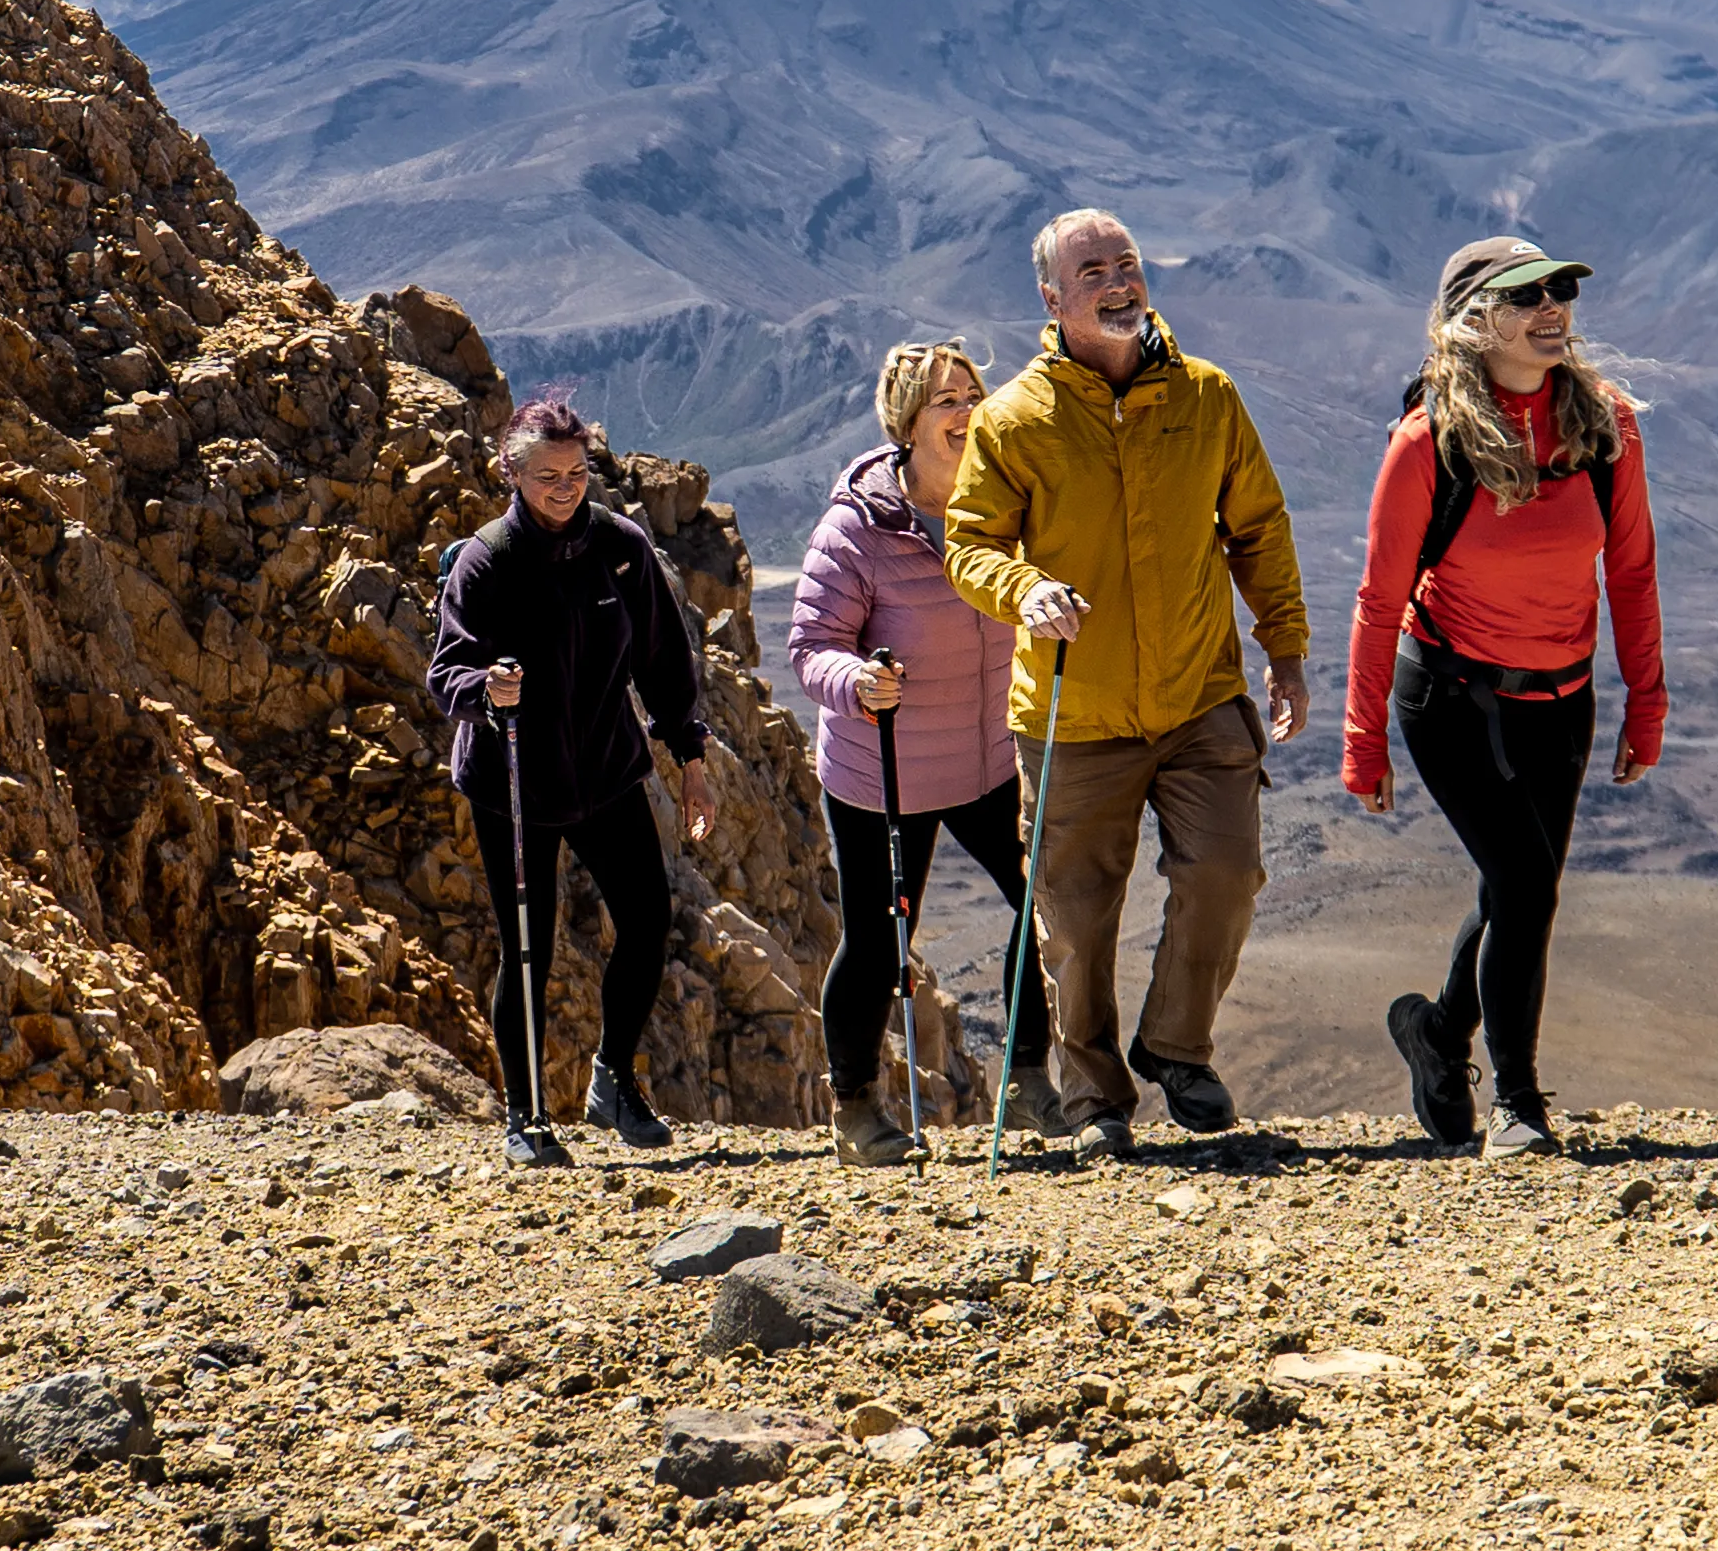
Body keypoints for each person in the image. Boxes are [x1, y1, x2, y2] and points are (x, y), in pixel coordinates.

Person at [944, 210, 1309, 1157]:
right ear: (1052, 298)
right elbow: (970, 544)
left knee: (1227, 873)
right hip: (1077, 713)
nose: (1117, 282)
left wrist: (1288, 647)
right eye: (1092, 269)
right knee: (1074, 920)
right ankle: (1096, 1098)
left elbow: (1259, 528)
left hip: (1200, 696)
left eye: (1127, 263)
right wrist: (1023, 590)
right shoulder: (1014, 419)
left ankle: (1177, 1045)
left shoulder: (1207, 397)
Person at [1347, 236, 1664, 1160]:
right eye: (1527, 294)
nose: (1553, 305)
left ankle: (1441, 1033)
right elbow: (1377, 598)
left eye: (1562, 288)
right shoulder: (1430, 442)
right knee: (1527, 887)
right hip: (1450, 696)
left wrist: (1648, 701)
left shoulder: (1605, 425)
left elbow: (1634, 572)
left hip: (1562, 699)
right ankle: (1520, 1106)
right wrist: (1363, 743)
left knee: (1515, 890)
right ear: (1473, 323)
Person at [786, 339, 1062, 1166]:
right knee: (878, 940)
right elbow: (810, 645)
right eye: (947, 399)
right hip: (885, 767)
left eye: (974, 391)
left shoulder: (1004, 499)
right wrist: (858, 680)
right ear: (905, 423)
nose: (967, 409)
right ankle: (856, 1105)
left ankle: (1029, 1077)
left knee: (1044, 907)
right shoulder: (857, 527)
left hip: (986, 758)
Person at [427, 396, 718, 1169]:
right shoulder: (486, 560)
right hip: (513, 777)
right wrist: (486, 687)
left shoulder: (621, 547)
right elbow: (445, 670)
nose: (566, 487)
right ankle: (526, 1114)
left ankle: (613, 1079)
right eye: (548, 475)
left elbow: (663, 660)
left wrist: (690, 758)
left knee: (650, 919)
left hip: (605, 770)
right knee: (528, 946)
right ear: (512, 473)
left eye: (577, 471)